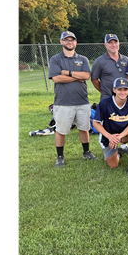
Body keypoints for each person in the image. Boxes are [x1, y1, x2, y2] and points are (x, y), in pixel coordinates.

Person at [47, 31, 98, 167]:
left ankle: (86, 152)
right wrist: (77, 76)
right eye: (66, 40)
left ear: (76, 42)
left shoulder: (83, 59)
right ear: (61, 42)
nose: (69, 42)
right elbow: (57, 78)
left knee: (84, 127)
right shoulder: (55, 59)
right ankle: (60, 156)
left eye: (72, 40)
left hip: (82, 101)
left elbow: (86, 76)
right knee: (61, 130)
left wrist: (67, 73)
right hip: (63, 102)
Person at [92, 77, 128, 177]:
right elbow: (95, 123)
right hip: (107, 136)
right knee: (113, 166)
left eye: (125, 89)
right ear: (114, 90)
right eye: (119, 89)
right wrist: (110, 137)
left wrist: (119, 137)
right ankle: (117, 153)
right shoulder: (104, 103)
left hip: (123, 135)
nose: (122, 92)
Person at [91, 33, 128, 101]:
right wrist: (104, 91)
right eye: (110, 43)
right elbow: (94, 79)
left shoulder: (126, 60)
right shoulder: (99, 61)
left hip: (124, 98)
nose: (114, 45)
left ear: (119, 43)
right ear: (105, 45)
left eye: (115, 42)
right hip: (107, 98)